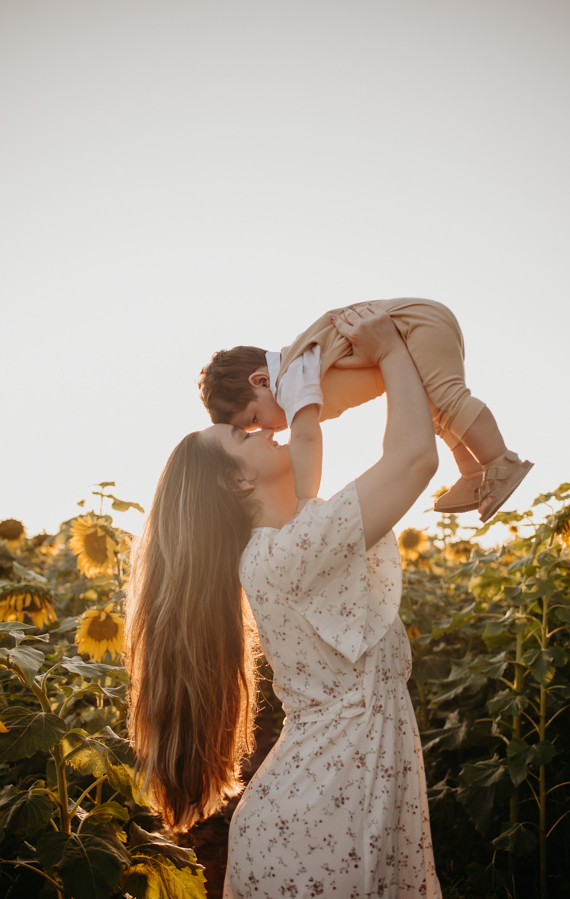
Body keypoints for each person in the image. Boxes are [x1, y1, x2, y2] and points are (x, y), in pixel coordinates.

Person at [126, 305, 443, 897]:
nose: (263, 429)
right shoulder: (289, 552)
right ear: (237, 482)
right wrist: (393, 350)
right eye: (243, 434)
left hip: (330, 802)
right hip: (322, 818)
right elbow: (415, 459)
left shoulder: (293, 540)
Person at [198, 297, 533, 523]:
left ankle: (500, 460)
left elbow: (307, 438)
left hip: (413, 327)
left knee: (448, 400)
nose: (268, 431)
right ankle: (472, 473)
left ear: (260, 381)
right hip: (417, 326)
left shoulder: (288, 377)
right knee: (435, 412)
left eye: (256, 420)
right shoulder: (300, 368)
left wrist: (305, 500)